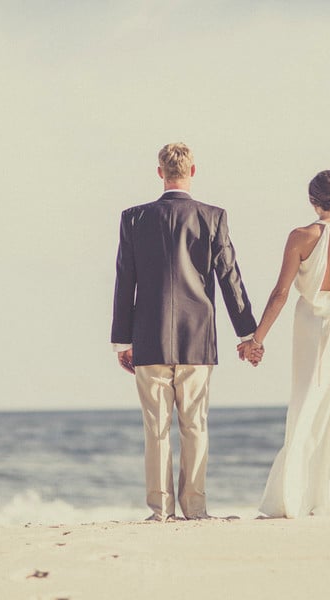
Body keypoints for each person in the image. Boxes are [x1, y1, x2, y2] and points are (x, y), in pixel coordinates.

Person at [111, 143, 260, 522]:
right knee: (195, 425)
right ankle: (195, 508)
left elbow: (124, 280)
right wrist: (248, 334)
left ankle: (160, 510)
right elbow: (229, 278)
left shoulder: (134, 219)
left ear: (160, 172)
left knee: (156, 427)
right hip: (197, 338)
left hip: (149, 335)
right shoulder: (212, 217)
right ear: (194, 170)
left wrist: (122, 340)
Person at [238, 169, 330, 518]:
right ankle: (329, 499)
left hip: (310, 323)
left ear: (312, 200)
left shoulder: (299, 236)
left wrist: (257, 339)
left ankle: (291, 497)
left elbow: (280, 293)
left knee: (304, 405)